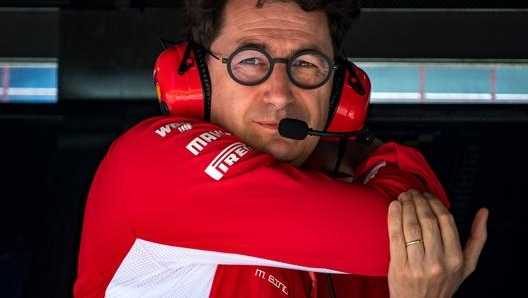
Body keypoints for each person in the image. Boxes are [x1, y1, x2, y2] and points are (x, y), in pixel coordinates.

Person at [73, 0, 489, 297]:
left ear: (341, 93)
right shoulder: (146, 162)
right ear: (194, 78)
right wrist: (388, 162)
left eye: (307, 64)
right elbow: (393, 240)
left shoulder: (337, 228)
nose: (279, 94)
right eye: (250, 60)